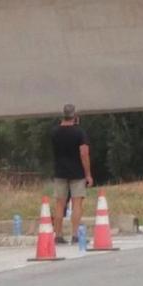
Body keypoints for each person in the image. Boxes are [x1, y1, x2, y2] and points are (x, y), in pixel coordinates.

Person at [49, 104, 95, 246]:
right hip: (77, 173)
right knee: (77, 203)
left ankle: (58, 235)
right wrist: (88, 174)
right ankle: (75, 235)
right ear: (75, 116)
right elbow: (84, 153)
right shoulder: (79, 133)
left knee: (59, 204)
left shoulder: (55, 132)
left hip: (60, 172)